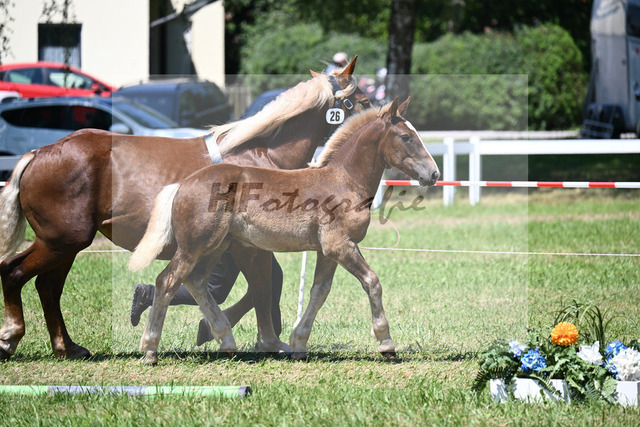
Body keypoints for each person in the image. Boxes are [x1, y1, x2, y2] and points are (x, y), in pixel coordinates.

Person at [130, 250, 283, 345]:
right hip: (235, 237)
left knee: (271, 278)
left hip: (244, 235)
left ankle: (270, 337)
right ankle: (148, 294)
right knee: (215, 289)